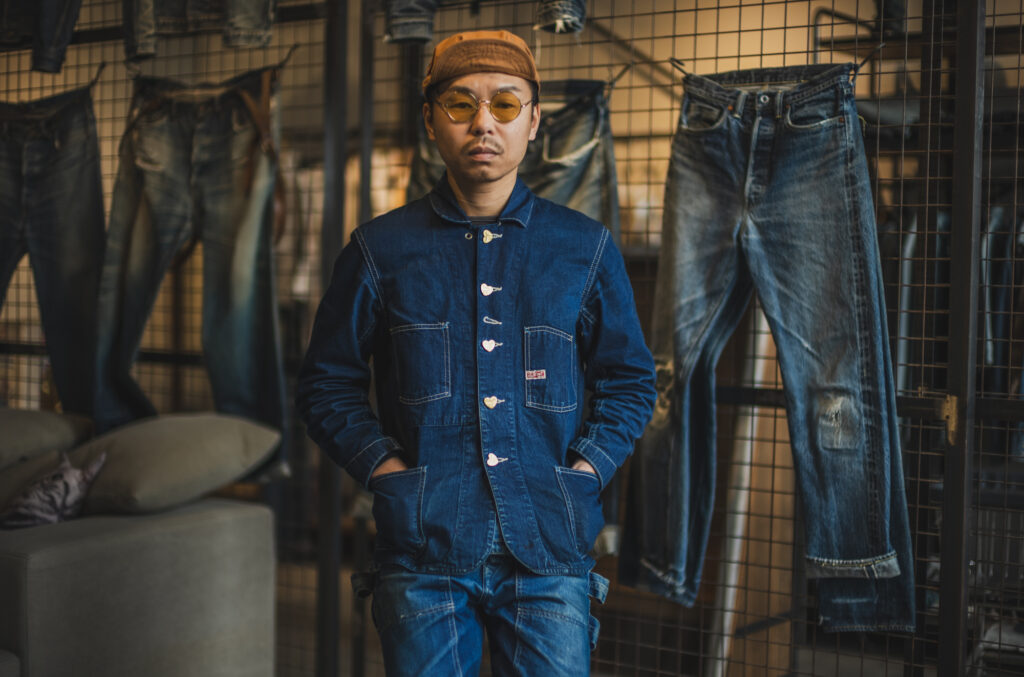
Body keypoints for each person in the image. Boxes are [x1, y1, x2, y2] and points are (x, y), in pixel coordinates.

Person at [296, 29, 657, 676]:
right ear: (430, 121)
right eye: (460, 104)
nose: (483, 123)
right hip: (423, 549)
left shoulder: (585, 248)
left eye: (506, 104)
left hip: (550, 546)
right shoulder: (380, 249)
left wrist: (584, 472)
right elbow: (326, 384)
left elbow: (630, 381)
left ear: (534, 122)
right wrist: (386, 470)